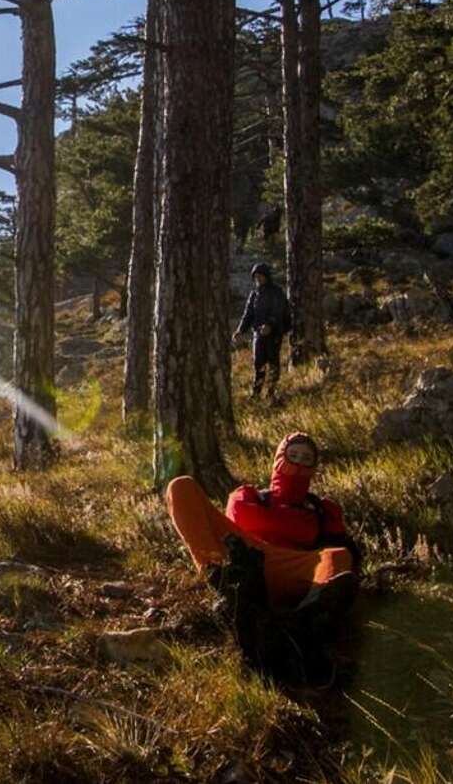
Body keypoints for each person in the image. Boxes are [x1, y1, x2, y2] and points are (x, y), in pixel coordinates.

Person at [164, 433, 359, 680]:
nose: (298, 464)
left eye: (307, 460)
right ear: (279, 458)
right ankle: (222, 581)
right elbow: (240, 521)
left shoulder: (322, 509)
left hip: (296, 567)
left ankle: (306, 618)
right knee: (181, 486)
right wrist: (292, 518)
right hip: (245, 557)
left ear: (314, 468)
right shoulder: (248, 496)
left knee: (338, 556)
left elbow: (343, 548)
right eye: (293, 456)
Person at [235, 262, 292, 405]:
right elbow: (247, 314)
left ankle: (271, 393)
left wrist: (270, 325)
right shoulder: (254, 294)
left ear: (267, 276)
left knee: (273, 362)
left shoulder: (277, 292)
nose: (258, 279)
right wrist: (240, 330)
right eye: (256, 276)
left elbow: (278, 311)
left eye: (260, 276)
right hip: (258, 334)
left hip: (274, 334)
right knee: (258, 363)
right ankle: (256, 393)